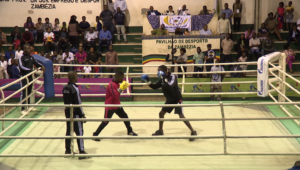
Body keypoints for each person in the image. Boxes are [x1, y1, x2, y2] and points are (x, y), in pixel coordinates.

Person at [141, 65, 197, 141]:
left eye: (160, 71)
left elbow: (170, 86)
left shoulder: (173, 76)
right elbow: (154, 86)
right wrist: (148, 81)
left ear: (165, 71)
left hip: (177, 99)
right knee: (161, 113)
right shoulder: (162, 79)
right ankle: (160, 131)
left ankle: (193, 132)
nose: (159, 72)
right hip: (170, 100)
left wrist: (163, 79)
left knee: (181, 116)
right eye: (158, 71)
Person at [93, 71, 137, 141]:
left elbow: (117, 95)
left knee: (125, 117)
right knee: (105, 122)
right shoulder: (111, 84)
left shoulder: (117, 83)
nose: (123, 79)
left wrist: (121, 89)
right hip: (110, 106)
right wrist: (121, 89)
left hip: (117, 104)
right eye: (122, 78)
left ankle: (129, 131)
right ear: (118, 77)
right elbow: (115, 96)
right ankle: (95, 134)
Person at [62, 71, 89, 159]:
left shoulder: (65, 88)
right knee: (79, 131)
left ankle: (67, 151)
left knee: (69, 131)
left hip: (67, 113)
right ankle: (81, 151)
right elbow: (78, 103)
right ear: (74, 77)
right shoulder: (75, 88)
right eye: (77, 76)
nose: (78, 77)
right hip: (75, 114)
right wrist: (83, 115)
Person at [19, 45, 45, 115]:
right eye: (28, 48)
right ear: (24, 49)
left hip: (30, 77)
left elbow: (36, 63)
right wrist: (31, 70)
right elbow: (21, 67)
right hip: (24, 77)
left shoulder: (31, 57)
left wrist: (42, 66)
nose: (29, 49)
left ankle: (29, 106)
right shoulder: (21, 57)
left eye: (29, 48)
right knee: (24, 93)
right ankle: (23, 109)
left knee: (29, 92)